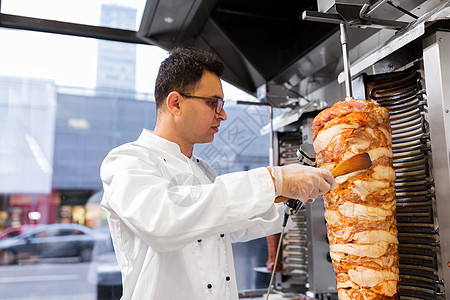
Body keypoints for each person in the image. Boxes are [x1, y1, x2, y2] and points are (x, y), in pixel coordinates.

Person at [100, 47, 337, 300]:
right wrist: (274, 179)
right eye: (214, 103)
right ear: (176, 103)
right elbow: (164, 220)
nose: (222, 115)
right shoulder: (127, 161)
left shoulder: (203, 170)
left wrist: (293, 193)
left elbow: (233, 224)